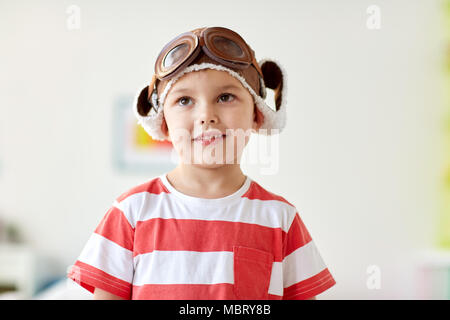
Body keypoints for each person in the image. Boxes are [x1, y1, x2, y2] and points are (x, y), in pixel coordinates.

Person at [67, 26, 336, 300]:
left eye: (225, 97)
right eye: (184, 100)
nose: (206, 115)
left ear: (257, 115)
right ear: (164, 125)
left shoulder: (281, 218)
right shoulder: (130, 213)